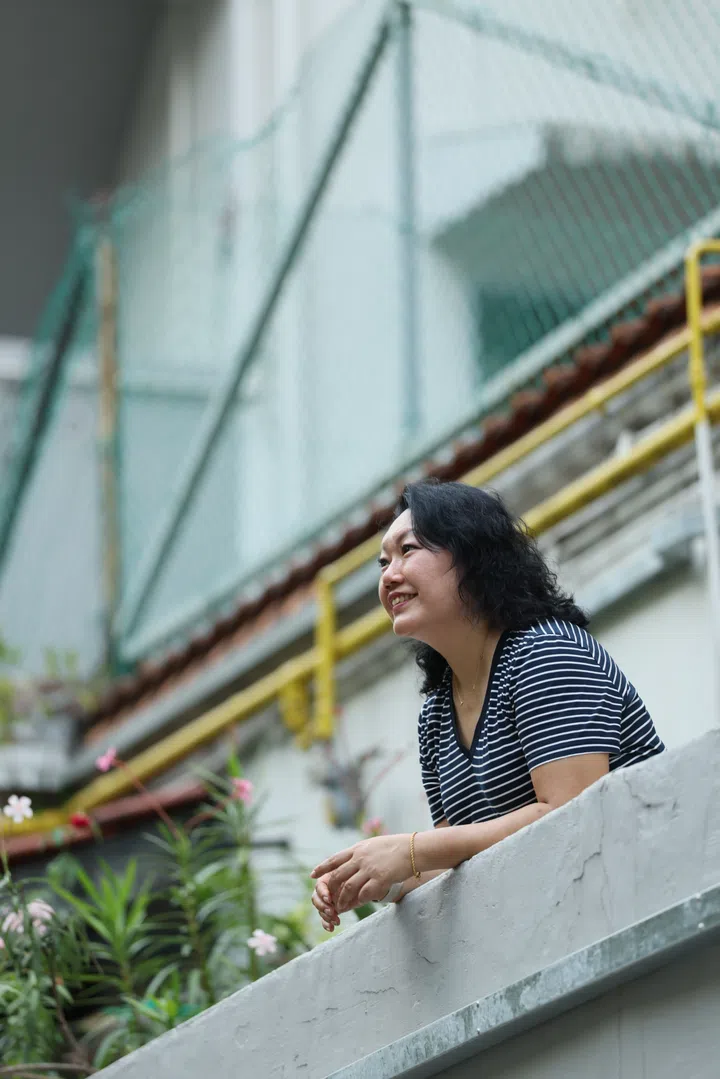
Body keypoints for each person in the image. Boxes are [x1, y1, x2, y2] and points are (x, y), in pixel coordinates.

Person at [310, 479, 664, 931]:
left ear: (473, 556)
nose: (389, 575)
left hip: (642, 902)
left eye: (408, 550)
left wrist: (411, 850)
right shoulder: (436, 716)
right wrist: (377, 878)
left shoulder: (545, 652)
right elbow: (460, 858)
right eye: (383, 563)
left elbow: (573, 810)